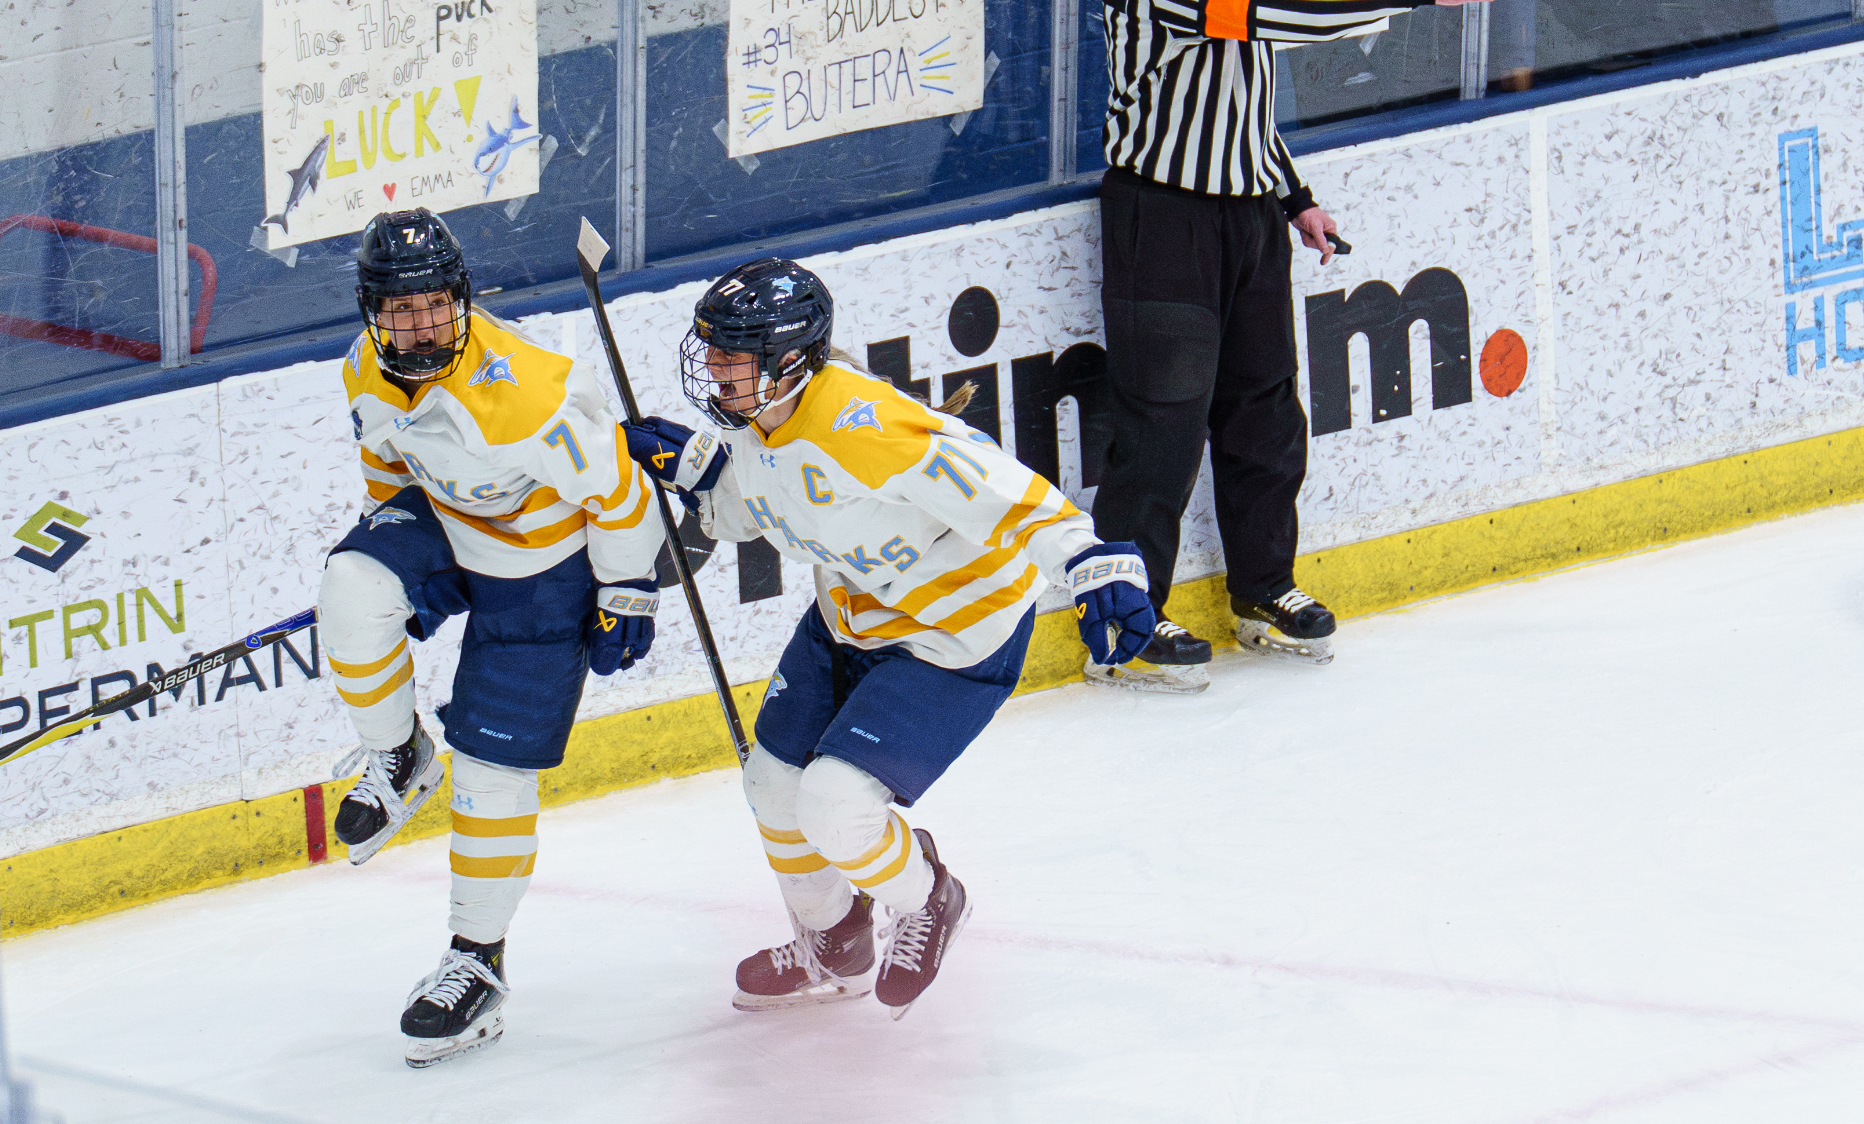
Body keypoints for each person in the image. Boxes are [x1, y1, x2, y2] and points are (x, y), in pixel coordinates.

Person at [621, 258, 1156, 1018]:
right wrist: (700, 473)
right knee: (772, 785)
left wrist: (1088, 558)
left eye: (732, 354)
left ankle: (929, 897)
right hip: (848, 621)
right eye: (710, 349)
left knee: (836, 804)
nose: (712, 368)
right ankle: (834, 945)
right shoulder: (759, 424)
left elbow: (1002, 490)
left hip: (952, 634)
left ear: (790, 360)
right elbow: (756, 508)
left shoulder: (862, 426)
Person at [315, 208, 664, 1066]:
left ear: (461, 301)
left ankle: (476, 965)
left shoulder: (529, 398)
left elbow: (620, 496)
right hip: (447, 525)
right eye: (400, 311)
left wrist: (626, 589)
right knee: (350, 586)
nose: (420, 325)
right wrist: (388, 553)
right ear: (371, 313)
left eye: (434, 305)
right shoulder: (363, 368)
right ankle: (397, 756)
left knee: (490, 772)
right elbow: (387, 472)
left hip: (546, 571)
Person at [1087, 0, 1489, 692]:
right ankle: (1125, 623)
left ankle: (1263, 587)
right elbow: (1278, 21)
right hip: (1162, 217)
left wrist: (1292, 195)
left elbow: (1242, 103)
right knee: (1162, 426)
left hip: (1249, 217)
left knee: (1265, 409)